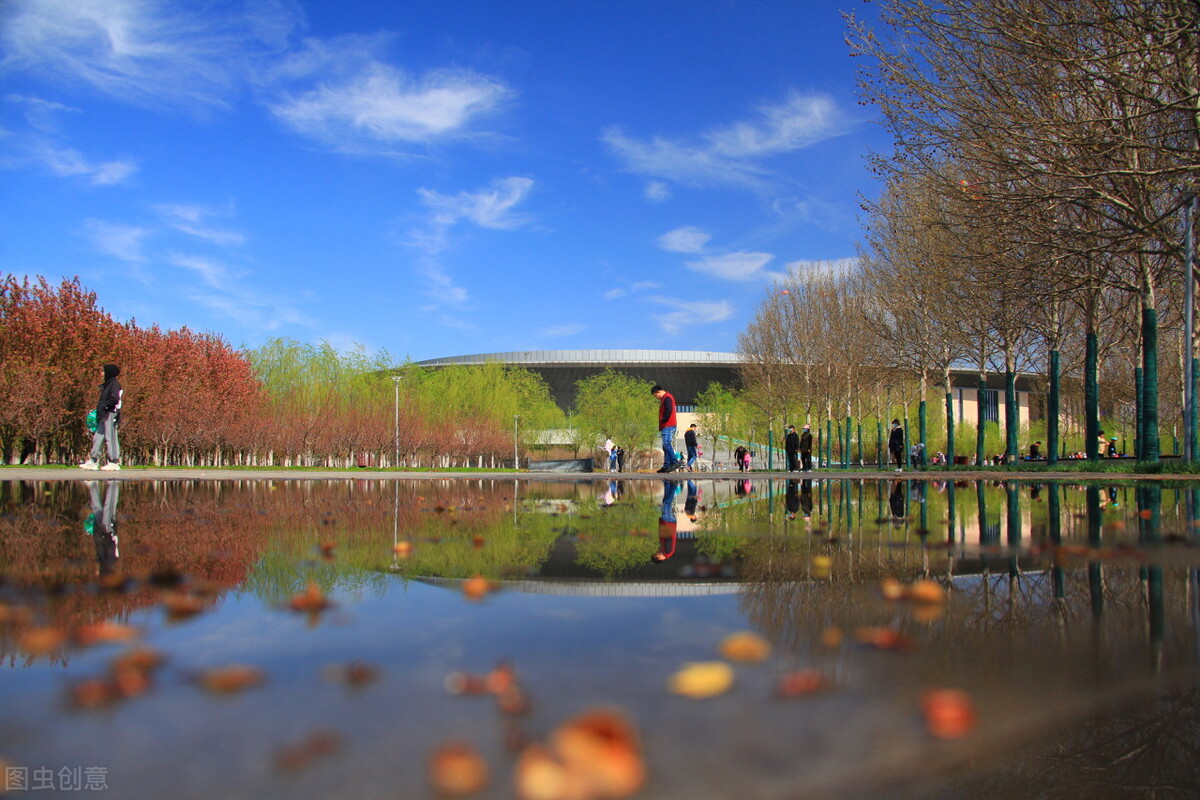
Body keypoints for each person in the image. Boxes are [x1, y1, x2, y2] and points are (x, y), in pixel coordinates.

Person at [80, 364, 123, 471]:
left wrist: (105, 406)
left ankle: (114, 461)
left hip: (110, 413)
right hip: (104, 414)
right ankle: (93, 460)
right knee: (98, 436)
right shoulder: (107, 384)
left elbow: (115, 399)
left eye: (103, 371)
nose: (101, 373)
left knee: (111, 437)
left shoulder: (114, 384)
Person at [85, 480, 120, 575]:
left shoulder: (103, 561)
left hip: (101, 532)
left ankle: (93, 485)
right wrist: (105, 535)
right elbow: (111, 544)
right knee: (107, 508)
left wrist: (97, 534)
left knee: (97, 508)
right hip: (107, 531)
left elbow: (99, 546)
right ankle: (112, 485)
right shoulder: (109, 560)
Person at [651, 385, 680, 473]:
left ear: (658, 392)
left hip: (668, 424)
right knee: (665, 445)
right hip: (666, 425)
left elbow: (669, 410)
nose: (656, 398)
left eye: (655, 396)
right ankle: (666, 466)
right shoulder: (665, 398)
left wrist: (663, 419)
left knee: (666, 443)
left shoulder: (667, 398)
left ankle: (675, 462)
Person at [651, 480, 678, 562]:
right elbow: (668, 538)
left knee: (665, 501)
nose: (656, 552)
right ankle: (674, 485)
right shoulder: (667, 552)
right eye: (656, 554)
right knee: (667, 503)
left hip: (668, 523)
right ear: (658, 557)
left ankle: (667, 483)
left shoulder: (666, 552)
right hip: (668, 523)